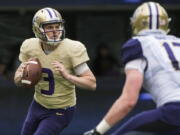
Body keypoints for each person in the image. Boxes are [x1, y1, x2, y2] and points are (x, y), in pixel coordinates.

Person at [83, 2, 180, 135]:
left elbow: (129, 100)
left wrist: (97, 131)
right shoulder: (178, 42)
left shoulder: (138, 44)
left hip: (173, 111)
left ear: (136, 23)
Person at [14, 7, 96, 135]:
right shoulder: (29, 46)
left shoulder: (72, 49)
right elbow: (18, 78)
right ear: (38, 29)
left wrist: (67, 76)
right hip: (37, 104)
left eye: (57, 26)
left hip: (61, 109)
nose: (55, 31)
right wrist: (22, 79)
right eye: (49, 27)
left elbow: (92, 83)